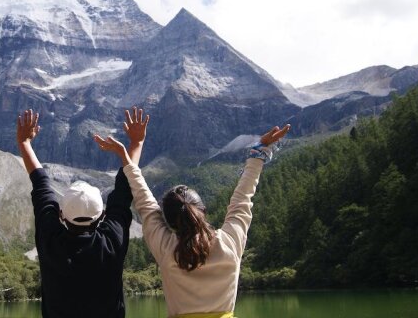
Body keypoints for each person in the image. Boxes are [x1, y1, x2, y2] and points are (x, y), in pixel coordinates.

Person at [95, 108, 290, 318]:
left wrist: (129, 154)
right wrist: (257, 154)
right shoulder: (229, 243)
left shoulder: (167, 248)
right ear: (203, 211)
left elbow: (145, 202)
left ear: (168, 222)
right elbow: (242, 200)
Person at [16, 109, 142, 318]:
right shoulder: (111, 241)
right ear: (101, 216)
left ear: (62, 215)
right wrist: (137, 143)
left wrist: (24, 143)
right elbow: (123, 190)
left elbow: (41, 184)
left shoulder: (51, 240)